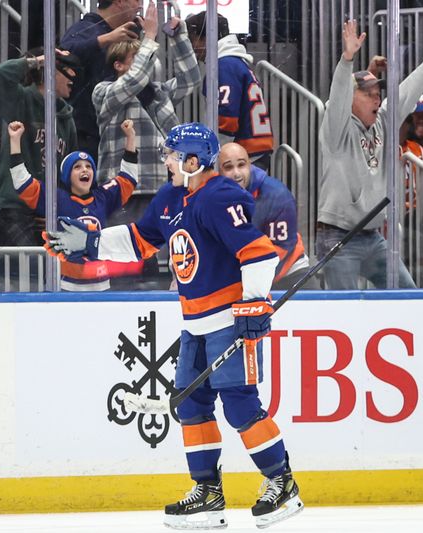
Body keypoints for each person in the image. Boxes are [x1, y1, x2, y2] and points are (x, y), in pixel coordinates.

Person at [42, 123, 303, 530]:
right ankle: (208, 493)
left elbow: (260, 254)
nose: (165, 161)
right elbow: (139, 240)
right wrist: (90, 243)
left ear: (193, 161)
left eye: (171, 155)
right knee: (191, 405)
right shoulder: (170, 197)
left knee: (239, 405)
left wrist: (254, 304)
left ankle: (282, 483)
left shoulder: (221, 196)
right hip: (194, 324)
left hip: (229, 321)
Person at [316, 19, 423, 290]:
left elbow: (405, 93)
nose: (377, 99)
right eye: (368, 95)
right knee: (344, 313)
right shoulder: (337, 129)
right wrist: (347, 60)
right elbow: (338, 95)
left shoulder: (383, 122)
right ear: (351, 100)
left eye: (378, 93)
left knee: (409, 296)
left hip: (373, 237)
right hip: (338, 237)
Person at [8, 118, 139, 291]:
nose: (85, 170)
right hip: (66, 286)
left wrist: (130, 137)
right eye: (77, 167)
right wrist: (15, 140)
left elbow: (128, 179)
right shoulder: (56, 198)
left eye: (88, 166)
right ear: (67, 176)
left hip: (101, 285)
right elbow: (21, 182)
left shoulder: (103, 197)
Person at [92, 0, 200, 192]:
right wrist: (149, 36)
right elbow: (134, 80)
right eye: (137, 56)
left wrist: (178, 37)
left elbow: (190, 79)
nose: (148, 60)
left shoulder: (158, 93)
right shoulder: (103, 92)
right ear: (118, 65)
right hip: (120, 192)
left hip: (161, 187)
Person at [0, 49, 80, 246]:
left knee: (60, 264)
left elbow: (70, 173)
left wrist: (60, 210)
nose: (73, 78)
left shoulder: (66, 118)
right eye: (68, 71)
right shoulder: (20, 100)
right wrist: (37, 61)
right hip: (15, 207)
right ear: (49, 72)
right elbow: (2, 74)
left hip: (50, 210)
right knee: (29, 266)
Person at [185, 11, 274, 168]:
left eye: (194, 40)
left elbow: (226, 120)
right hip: (253, 152)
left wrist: (210, 156)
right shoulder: (235, 63)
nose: (193, 47)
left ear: (207, 38)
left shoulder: (224, 66)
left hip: (244, 156)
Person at [218, 142, 310, 290]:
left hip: (289, 272)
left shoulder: (277, 195)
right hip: (245, 274)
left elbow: (281, 248)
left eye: (241, 165)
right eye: (228, 167)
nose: (236, 173)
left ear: (249, 165)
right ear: (219, 171)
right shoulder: (212, 196)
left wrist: (244, 277)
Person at [61, 0, 142, 159]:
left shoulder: (128, 34)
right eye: (137, 0)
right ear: (120, 2)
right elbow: (63, 54)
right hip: (85, 133)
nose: (140, 6)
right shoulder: (85, 28)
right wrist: (105, 39)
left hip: (117, 131)